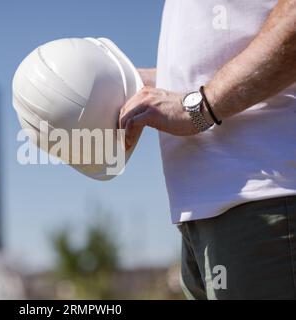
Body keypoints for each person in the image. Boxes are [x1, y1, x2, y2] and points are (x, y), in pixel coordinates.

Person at [119, 0, 296, 299]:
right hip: (200, 217)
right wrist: (114, 83)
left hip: (265, 196)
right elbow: (203, 69)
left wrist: (199, 108)